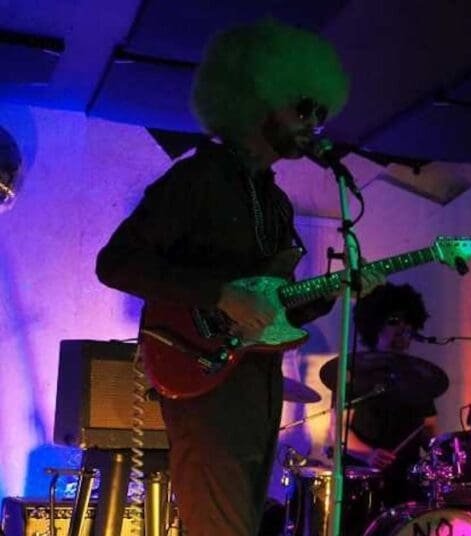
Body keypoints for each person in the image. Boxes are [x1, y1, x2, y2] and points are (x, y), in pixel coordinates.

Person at [96, 20, 381, 535]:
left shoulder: (277, 202)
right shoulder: (197, 178)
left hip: (258, 388)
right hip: (200, 378)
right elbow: (115, 263)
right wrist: (219, 294)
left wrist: (333, 292)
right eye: (303, 107)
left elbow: (276, 305)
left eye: (321, 113)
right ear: (256, 99)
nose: (313, 124)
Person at [336, 282, 439, 506]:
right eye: (393, 321)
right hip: (361, 481)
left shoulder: (420, 378)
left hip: (406, 483)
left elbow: (429, 430)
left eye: (407, 322)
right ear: (374, 326)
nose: (403, 328)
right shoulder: (358, 375)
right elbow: (337, 432)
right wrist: (369, 454)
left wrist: (447, 452)